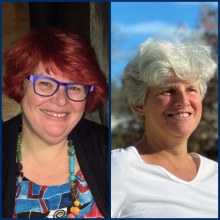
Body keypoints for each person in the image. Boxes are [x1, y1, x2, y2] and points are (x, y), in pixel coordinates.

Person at [2, 27, 109, 218]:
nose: (61, 100)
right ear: (20, 85)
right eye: (45, 83)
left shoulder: (113, 151)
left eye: (75, 87)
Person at [111, 39, 218, 218]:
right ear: (139, 105)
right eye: (167, 91)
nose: (183, 101)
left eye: (191, 89)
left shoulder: (215, 174)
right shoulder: (116, 169)